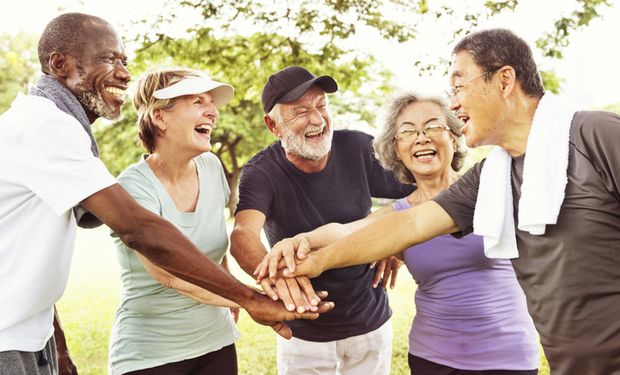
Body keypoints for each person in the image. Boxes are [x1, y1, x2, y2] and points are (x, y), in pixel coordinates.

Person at [271, 28, 620, 375]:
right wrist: (312, 259)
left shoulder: (595, 135)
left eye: (459, 85)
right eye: (408, 131)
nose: (454, 102)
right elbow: (409, 224)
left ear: (504, 79)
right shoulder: (493, 176)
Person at [0, 13, 331, 375]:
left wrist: (56, 346)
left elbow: (29, 256)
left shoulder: (61, 130)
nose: (125, 73)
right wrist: (250, 298)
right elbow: (140, 231)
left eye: (124, 61)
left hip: (31, 336)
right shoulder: (45, 126)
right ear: (59, 64)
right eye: (109, 59)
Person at [258, 92, 540, 374]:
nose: (421, 137)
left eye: (432, 126)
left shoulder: (489, 188)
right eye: (408, 131)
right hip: (433, 358)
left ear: (454, 138)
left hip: (507, 356)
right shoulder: (398, 214)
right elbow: (345, 231)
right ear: (397, 149)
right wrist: (297, 241)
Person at [230, 65, 412, 375]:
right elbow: (242, 234)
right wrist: (277, 277)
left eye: (321, 105)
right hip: (303, 332)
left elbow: (427, 186)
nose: (316, 119)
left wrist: (396, 241)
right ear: (273, 126)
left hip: (370, 323)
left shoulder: (358, 147)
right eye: (300, 112)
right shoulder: (261, 172)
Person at [108, 67, 243, 374]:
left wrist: (230, 293)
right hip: (150, 354)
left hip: (216, 343)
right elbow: (169, 273)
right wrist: (249, 299)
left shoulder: (211, 166)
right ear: (160, 117)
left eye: (211, 102)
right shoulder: (133, 187)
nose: (213, 112)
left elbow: (214, 247)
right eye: (198, 102)